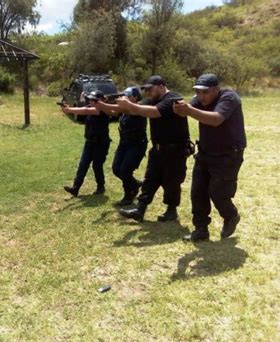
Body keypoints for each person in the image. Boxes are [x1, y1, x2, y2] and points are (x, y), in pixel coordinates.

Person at [94, 75, 190, 222]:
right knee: (150, 179)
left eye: (150, 89)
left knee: (171, 182)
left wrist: (129, 105)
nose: (148, 93)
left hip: (174, 150)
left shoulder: (172, 99)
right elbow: (134, 111)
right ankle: (140, 209)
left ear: (161, 86)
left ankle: (171, 210)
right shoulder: (153, 99)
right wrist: (104, 106)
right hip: (158, 148)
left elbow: (154, 112)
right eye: (146, 90)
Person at [173, 74, 246, 242]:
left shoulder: (229, 97)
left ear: (216, 89)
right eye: (198, 92)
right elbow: (185, 110)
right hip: (206, 152)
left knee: (218, 192)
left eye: (205, 92)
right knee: (197, 192)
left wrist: (189, 110)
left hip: (228, 154)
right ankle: (201, 229)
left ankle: (231, 216)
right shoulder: (198, 100)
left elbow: (216, 120)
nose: (201, 96)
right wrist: (178, 108)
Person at [102, 86, 147, 206]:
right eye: (124, 96)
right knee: (116, 169)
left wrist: (103, 105)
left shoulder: (139, 108)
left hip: (137, 144)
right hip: (124, 143)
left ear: (136, 97)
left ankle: (129, 195)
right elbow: (113, 112)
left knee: (125, 170)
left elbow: (127, 110)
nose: (125, 98)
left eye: (128, 96)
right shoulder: (124, 109)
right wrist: (99, 105)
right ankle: (135, 184)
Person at [62, 90, 112, 197]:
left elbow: (85, 110)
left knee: (97, 166)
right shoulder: (92, 107)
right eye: (91, 99)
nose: (92, 102)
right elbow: (85, 107)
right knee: (83, 165)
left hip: (101, 143)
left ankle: (100, 186)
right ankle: (75, 188)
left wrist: (69, 109)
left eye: (94, 100)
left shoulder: (102, 110)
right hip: (89, 142)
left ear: (101, 101)